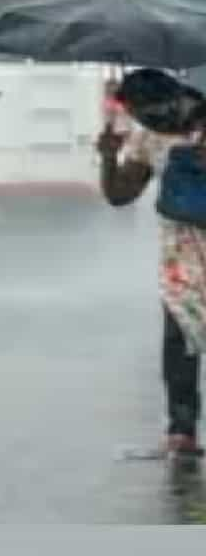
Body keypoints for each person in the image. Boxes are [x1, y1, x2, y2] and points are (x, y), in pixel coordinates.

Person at [99, 68, 206, 457]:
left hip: (186, 249)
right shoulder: (149, 137)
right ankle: (182, 431)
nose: (143, 120)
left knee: (179, 339)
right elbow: (120, 195)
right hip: (181, 253)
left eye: (142, 111)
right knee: (179, 340)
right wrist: (109, 157)